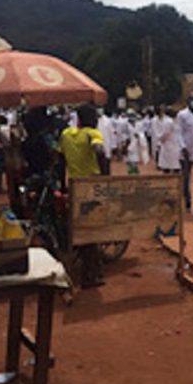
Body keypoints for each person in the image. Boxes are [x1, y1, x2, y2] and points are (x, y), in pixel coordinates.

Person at [58, 104, 106, 288]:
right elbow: (99, 151)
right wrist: (104, 177)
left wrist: (63, 184)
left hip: (73, 185)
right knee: (92, 231)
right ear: (91, 118)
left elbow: (61, 161)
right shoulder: (93, 134)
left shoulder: (66, 134)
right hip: (91, 185)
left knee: (80, 226)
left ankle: (93, 268)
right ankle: (89, 275)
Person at [157, 107, 181, 174]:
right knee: (175, 163)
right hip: (175, 143)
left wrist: (160, 139)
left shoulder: (167, 121)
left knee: (167, 164)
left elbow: (165, 133)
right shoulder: (176, 121)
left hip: (168, 143)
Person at [97, 109, 116, 175]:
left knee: (106, 165)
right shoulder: (93, 120)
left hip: (106, 144)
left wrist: (113, 146)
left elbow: (112, 133)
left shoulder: (107, 121)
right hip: (96, 145)